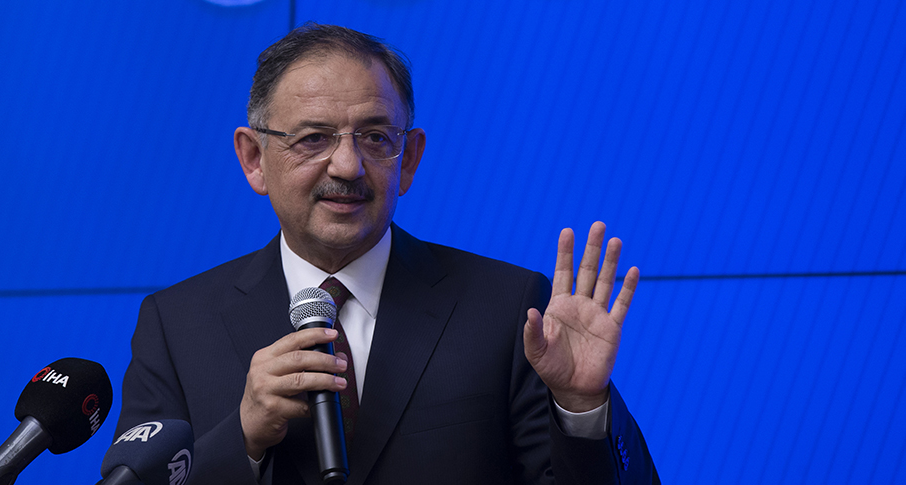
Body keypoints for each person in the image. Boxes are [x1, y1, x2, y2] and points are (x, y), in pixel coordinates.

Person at [113, 23, 658, 484]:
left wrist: (582, 407)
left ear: (410, 159)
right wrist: (243, 436)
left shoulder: (508, 308)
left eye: (375, 138)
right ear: (254, 158)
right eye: (314, 138)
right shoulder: (176, 326)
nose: (348, 166)